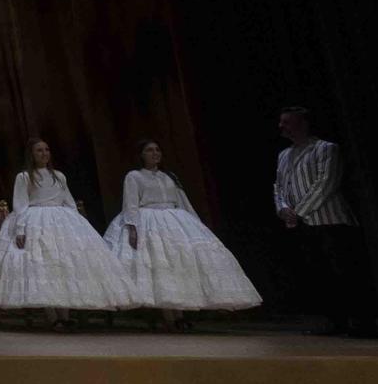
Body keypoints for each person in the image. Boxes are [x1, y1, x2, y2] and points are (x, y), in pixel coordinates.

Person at [0, 139, 133, 330]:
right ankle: (53, 317)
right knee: (42, 267)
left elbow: (68, 201)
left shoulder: (59, 176)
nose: (44, 153)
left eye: (46, 149)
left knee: (62, 268)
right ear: (31, 154)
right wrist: (20, 229)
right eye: (39, 150)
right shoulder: (25, 177)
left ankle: (65, 315)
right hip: (35, 220)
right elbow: (21, 204)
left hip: (60, 221)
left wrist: (78, 226)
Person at [105, 139, 261, 328]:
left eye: (157, 150)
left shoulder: (169, 177)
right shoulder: (134, 176)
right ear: (141, 155)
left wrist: (195, 225)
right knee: (159, 267)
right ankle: (170, 317)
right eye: (149, 150)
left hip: (174, 221)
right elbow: (131, 203)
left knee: (177, 266)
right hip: (148, 220)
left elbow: (183, 202)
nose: (155, 153)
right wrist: (132, 227)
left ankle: (179, 315)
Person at [274, 106, 375, 338]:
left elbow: (326, 183)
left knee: (345, 273)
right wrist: (282, 209)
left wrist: (298, 211)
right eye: (281, 122)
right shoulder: (284, 155)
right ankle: (334, 321)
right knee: (319, 276)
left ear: (303, 124)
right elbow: (279, 185)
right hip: (301, 225)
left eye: (287, 122)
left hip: (330, 221)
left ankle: (362, 322)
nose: (282, 126)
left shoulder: (326, 149)